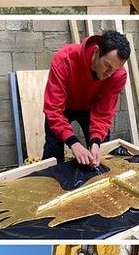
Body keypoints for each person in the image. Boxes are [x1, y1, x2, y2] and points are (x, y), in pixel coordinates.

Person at [42, 30, 130, 166]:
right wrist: (74, 143)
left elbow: (104, 114)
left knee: (101, 155)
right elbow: (53, 109)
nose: (109, 73)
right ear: (96, 52)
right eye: (107, 66)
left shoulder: (118, 76)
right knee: (53, 152)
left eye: (115, 69)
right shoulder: (64, 59)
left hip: (92, 108)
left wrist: (95, 142)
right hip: (63, 107)